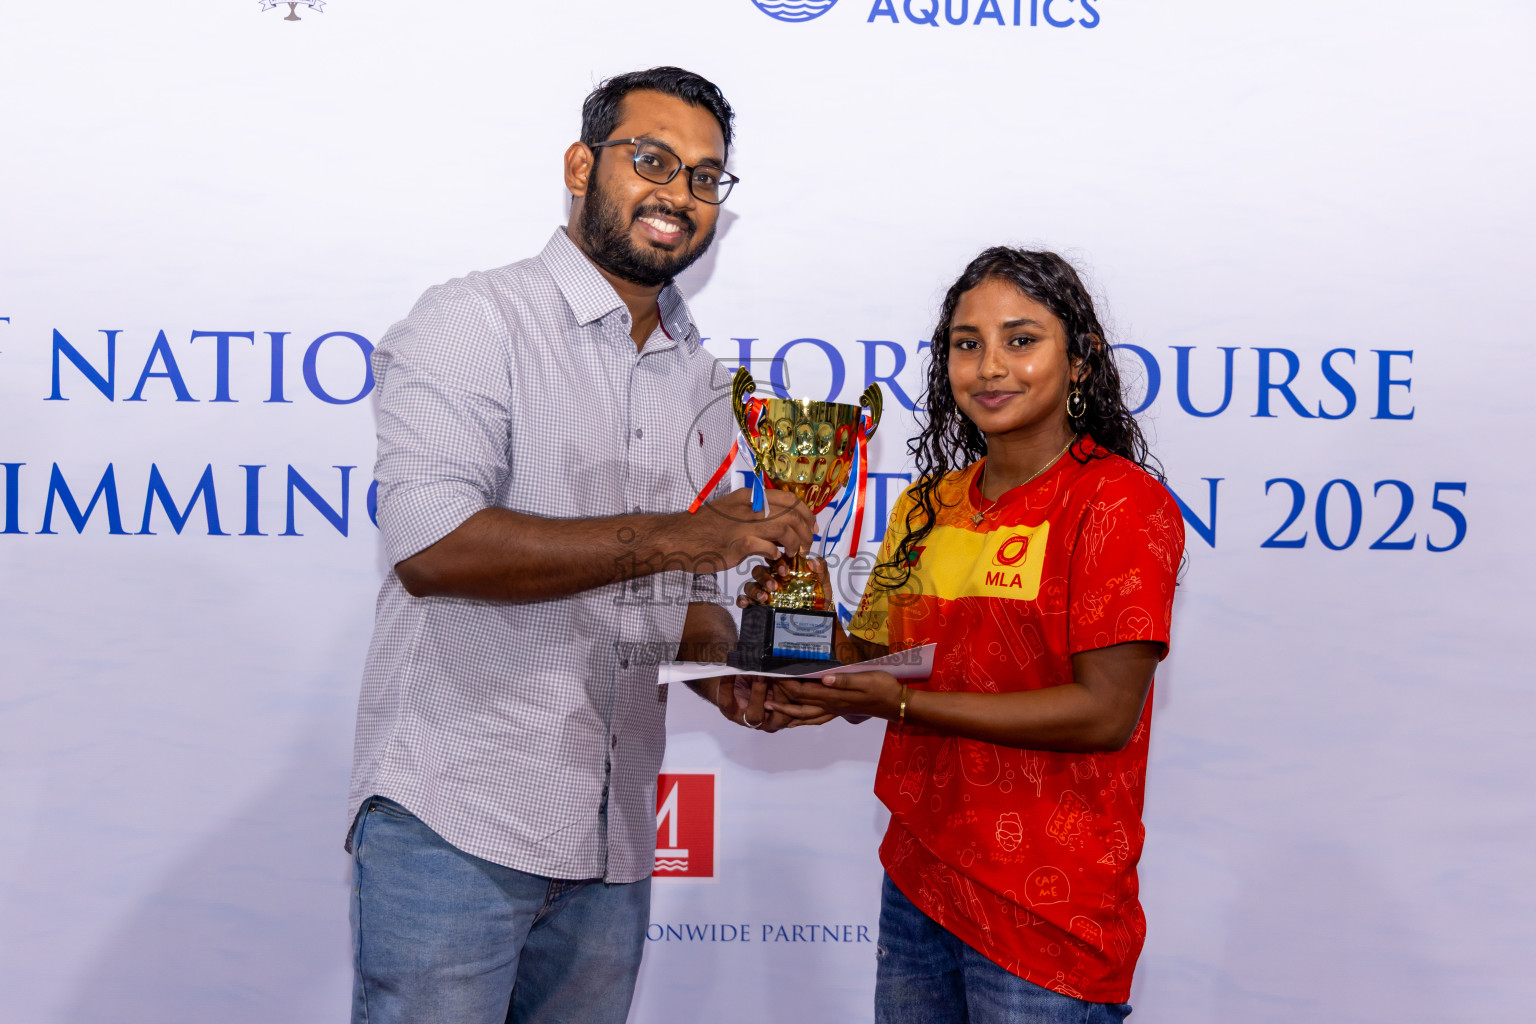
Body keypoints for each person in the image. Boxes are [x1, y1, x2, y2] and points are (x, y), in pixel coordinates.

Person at [346, 67, 814, 1024]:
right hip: (456, 825)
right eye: (652, 160)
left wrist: (736, 661)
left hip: (614, 841)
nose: (678, 194)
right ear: (580, 164)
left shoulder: (704, 381)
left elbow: (645, 597)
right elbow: (435, 549)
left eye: (705, 177)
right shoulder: (476, 320)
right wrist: (685, 535)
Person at [749, 248, 1185, 1022]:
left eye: (1022, 340)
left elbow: (1102, 713)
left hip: (1047, 911)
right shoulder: (928, 503)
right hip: (921, 881)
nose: (990, 366)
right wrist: (803, 617)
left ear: (1079, 362)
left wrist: (900, 706)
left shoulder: (1119, 502)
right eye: (966, 343)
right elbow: (885, 666)